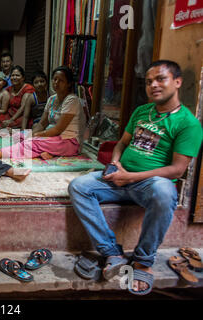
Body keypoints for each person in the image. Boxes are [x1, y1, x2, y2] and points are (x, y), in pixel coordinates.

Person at [68, 60, 203, 296]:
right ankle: (111, 252)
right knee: (79, 186)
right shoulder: (142, 111)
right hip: (120, 176)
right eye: (149, 81)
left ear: (177, 82)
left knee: (164, 192)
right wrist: (115, 163)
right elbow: (121, 143)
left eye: (161, 79)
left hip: (148, 184)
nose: (153, 85)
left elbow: (177, 170)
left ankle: (143, 261)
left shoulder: (188, 124)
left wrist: (130, 177)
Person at [0, 66, 85, 160]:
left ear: (69, 84)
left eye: (61, 80)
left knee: (32, 142)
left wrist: (36, 136)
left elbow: (58, 130)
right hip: (54, 137)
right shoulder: (52, 99)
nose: (56, 83)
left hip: (69, 142)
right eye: (55, 79)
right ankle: (46, 152)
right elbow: (42, 124)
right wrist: (30, 134)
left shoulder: (72, 100)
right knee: (18, 135)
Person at [0, 66, 35, 130]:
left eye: (17, 75)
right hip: (10, 114)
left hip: (23, 116)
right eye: (12, 75)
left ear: (23, 78)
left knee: (10, 125)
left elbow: (23, 108)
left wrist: (11, 120)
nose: (14, 77)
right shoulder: (8, 89)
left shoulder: (28, 88)